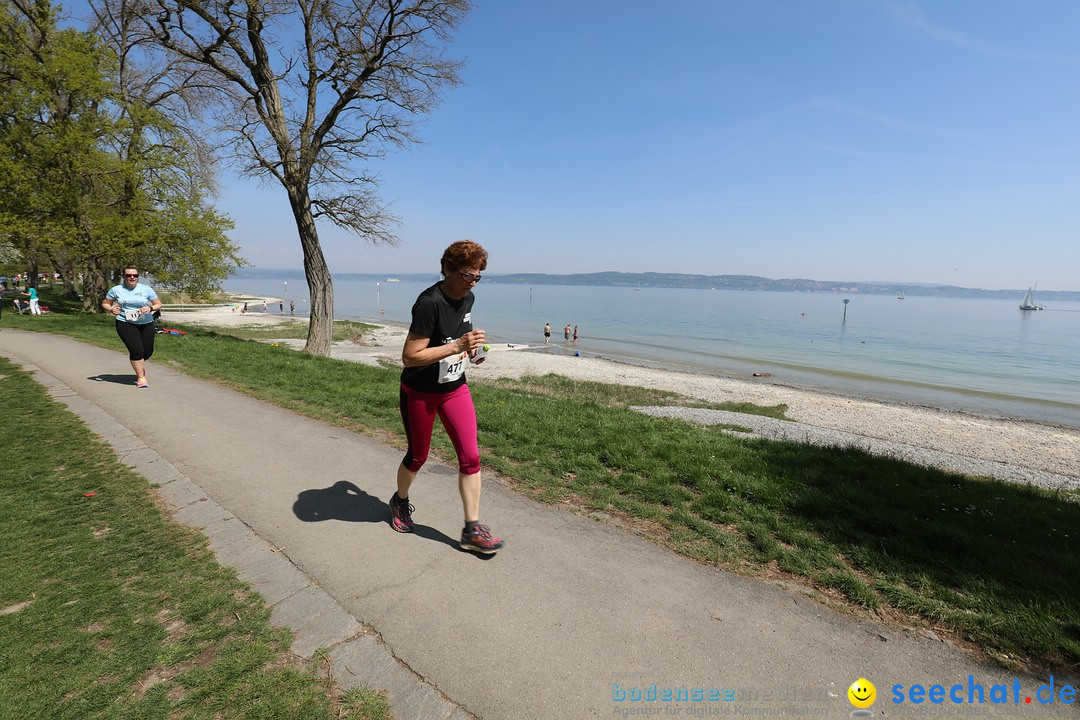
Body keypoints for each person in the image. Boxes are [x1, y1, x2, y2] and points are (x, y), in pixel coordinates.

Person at [389, 240, 505, 554]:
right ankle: (400, 501)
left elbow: (458, 338)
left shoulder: (468, 298)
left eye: (478, 276)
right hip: (421, 392)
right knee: (418, 456)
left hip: (455, 388)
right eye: (468, 275)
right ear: (447, 269)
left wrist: (473, 351)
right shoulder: (429, 303)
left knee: (471, 457)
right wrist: (456, 346)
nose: (473, 282)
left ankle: (472, 529)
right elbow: (411, 356)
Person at [102, 266, 163, 388]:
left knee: (147, 351)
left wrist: (150, 308)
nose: (132, 277)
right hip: (125, 323)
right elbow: (105, 303)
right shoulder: (116, 290)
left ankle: (139, 365)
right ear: (124, 276)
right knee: (136, 351)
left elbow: (158, 304)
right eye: (128, 275)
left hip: (146, 323)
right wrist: (111, 309)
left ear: (138, 277)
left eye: (135, 275)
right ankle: (141, 377)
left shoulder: (146, 289)